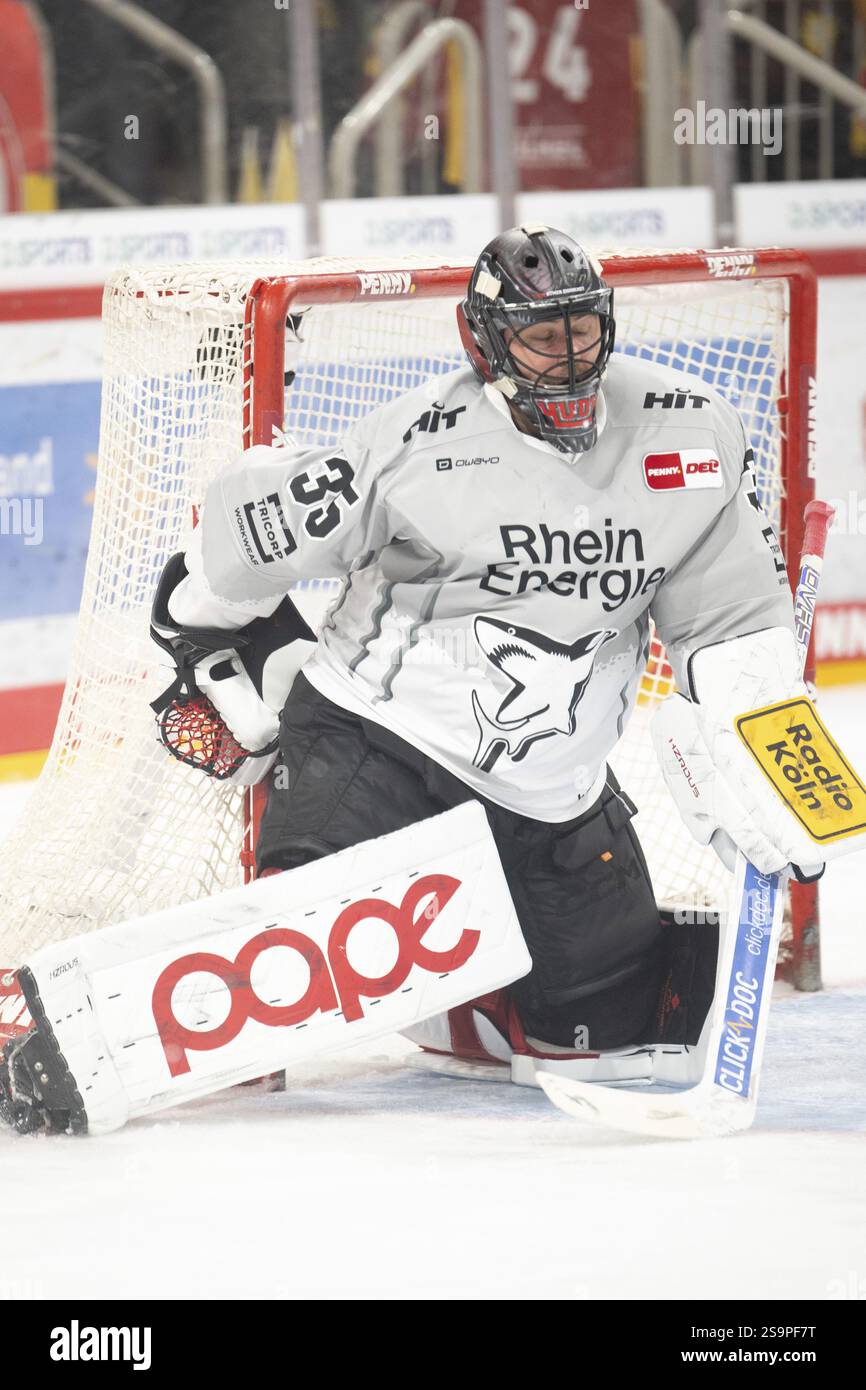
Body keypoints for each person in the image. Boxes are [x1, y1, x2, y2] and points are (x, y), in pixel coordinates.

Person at [150, 225, 813, 1063]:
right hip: (383, 742)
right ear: (487, 342)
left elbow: (729, 619)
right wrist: (198, 609)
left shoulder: (688, 433)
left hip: (555, 790)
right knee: (296, 959)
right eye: (542, 338)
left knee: (605, 1035)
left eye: (583, 331)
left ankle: (468, 996)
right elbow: (248, 535)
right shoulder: (416, 440)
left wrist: (756, 730)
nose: (570, 360)